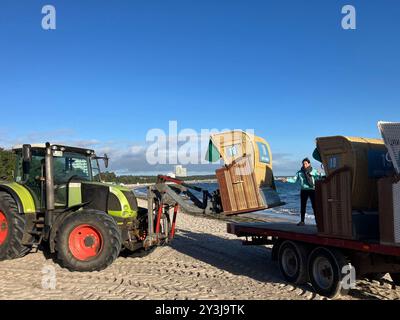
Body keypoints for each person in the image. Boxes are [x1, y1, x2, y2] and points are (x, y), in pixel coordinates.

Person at [284, 158, 322, 226]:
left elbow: (319, 178)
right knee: (303, 206)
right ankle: (302, 221)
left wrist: (320, 174)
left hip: (312, 190)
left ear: (309, 164)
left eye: (306, 163)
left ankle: (318, 222)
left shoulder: (313, 171)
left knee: (315, 206)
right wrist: (286, 180)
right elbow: (294, 180)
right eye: (303, 164)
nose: (304, 165)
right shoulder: (300, 172)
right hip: (304, 190)